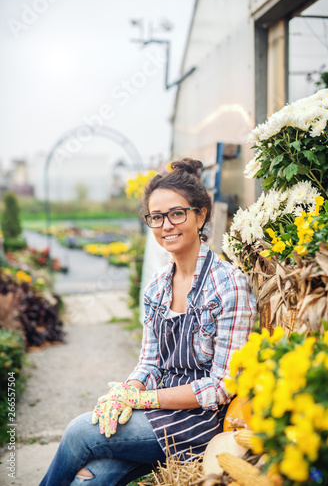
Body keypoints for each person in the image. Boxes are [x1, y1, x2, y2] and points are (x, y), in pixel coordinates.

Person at [40, 158, 257, 486]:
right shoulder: (157, 286)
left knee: (80, 432)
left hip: (199, 423)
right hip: (156, 415)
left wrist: (144, 400)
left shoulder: (229, 284)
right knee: (89, 481)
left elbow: (222, 386)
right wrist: (126, 392)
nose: (166, 225)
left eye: (177, 213)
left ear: (201, 215)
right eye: (156, 217)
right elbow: (149, 363)